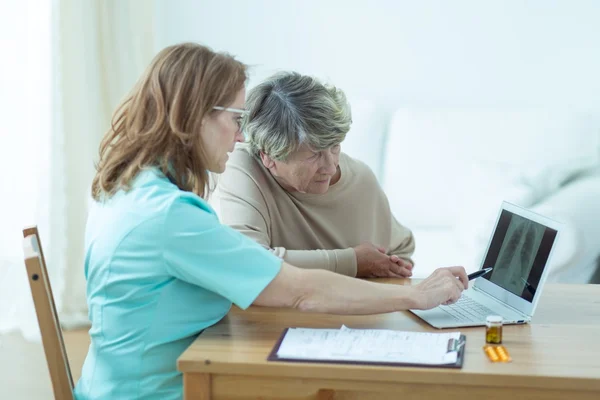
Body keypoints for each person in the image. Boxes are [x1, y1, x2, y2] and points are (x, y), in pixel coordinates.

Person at [74, 42, 467, 400]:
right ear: (197, 119)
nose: (241, 136)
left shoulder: (132, 189)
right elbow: (299, 291)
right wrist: (416, 296)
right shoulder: (170, 216)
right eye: (235, 118)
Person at [214, 71, 415, 279]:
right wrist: (352, 262)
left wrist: (392, 269)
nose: (330, 166)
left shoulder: (360, 179)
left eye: (335, 146)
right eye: (314, 155)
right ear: (269, 156)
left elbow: (402, 249)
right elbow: (247, 262)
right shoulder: (243, 166)